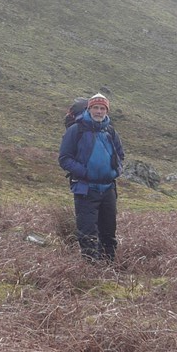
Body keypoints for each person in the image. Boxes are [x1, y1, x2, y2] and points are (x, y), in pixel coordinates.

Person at [58, 93, 125, 262]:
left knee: (109, 232)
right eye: (96, 107)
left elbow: (120, 155)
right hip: (86, 189)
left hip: (108, 189)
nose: (99, 111)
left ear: (107, 111)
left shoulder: (110, 131)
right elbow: (64, 158)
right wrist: (85, 172)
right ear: (89, 109)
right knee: (87, 233)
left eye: (103, 108)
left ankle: (109, 267)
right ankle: (90, 271)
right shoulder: (76, 130)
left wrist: (116, 171)